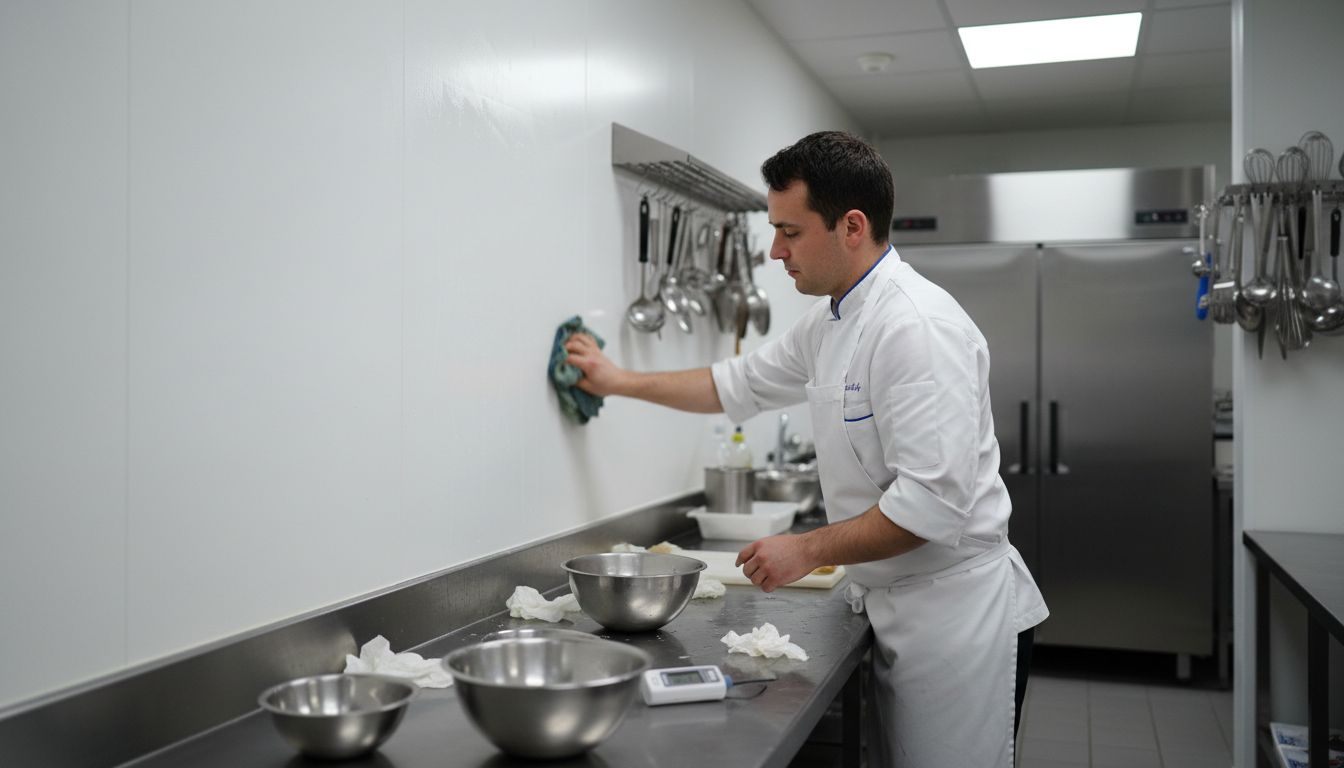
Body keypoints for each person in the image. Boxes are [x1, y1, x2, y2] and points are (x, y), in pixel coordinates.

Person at [564, 131, 1047, 767]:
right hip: (895, 602)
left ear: (851, 226)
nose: (775, 250)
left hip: (955, 619)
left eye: (790, 232)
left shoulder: (916, 328)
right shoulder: (832, 320)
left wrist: (807, 550)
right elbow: (735, 384)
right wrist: (618, 380)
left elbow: (931, 505)